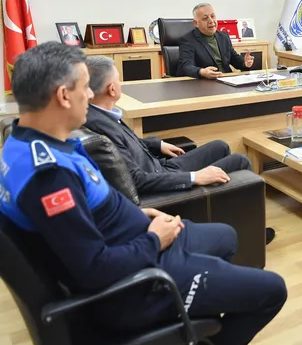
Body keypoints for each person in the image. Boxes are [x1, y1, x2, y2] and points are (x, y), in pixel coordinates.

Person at [0, 42, 286, 345]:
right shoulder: (49, 177)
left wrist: (135, 214)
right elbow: (94, 270)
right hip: (136, 286)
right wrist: (155, 239)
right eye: (84, 87)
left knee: (226, 236)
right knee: (272, 290)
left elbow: (87, 212)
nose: (90, 95)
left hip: (134, 240)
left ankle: (192, 321)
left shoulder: (30, 142)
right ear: (64, 96)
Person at [83, 56, 275, 244]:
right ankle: (253, 235)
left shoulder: (99, 114)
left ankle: (231, 217)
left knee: (220, 146)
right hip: (158, 180)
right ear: (112, 88)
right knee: (240, 161)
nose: (121, 84)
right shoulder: (101, 126)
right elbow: (137, 180)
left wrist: (157, 144)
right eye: (118, 79)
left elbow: (125, 143)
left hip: (159, 167)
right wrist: (195, 177)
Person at [178, 3, 254, 79]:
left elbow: (234, 58)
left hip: (227, 79)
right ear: (196, 23)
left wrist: (245, 63)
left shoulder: (223, 36)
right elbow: (186, 66)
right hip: (206, 82)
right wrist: (202, 72)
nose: (211, 21)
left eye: (213, 16)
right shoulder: (188, 40)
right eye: (205, 18)